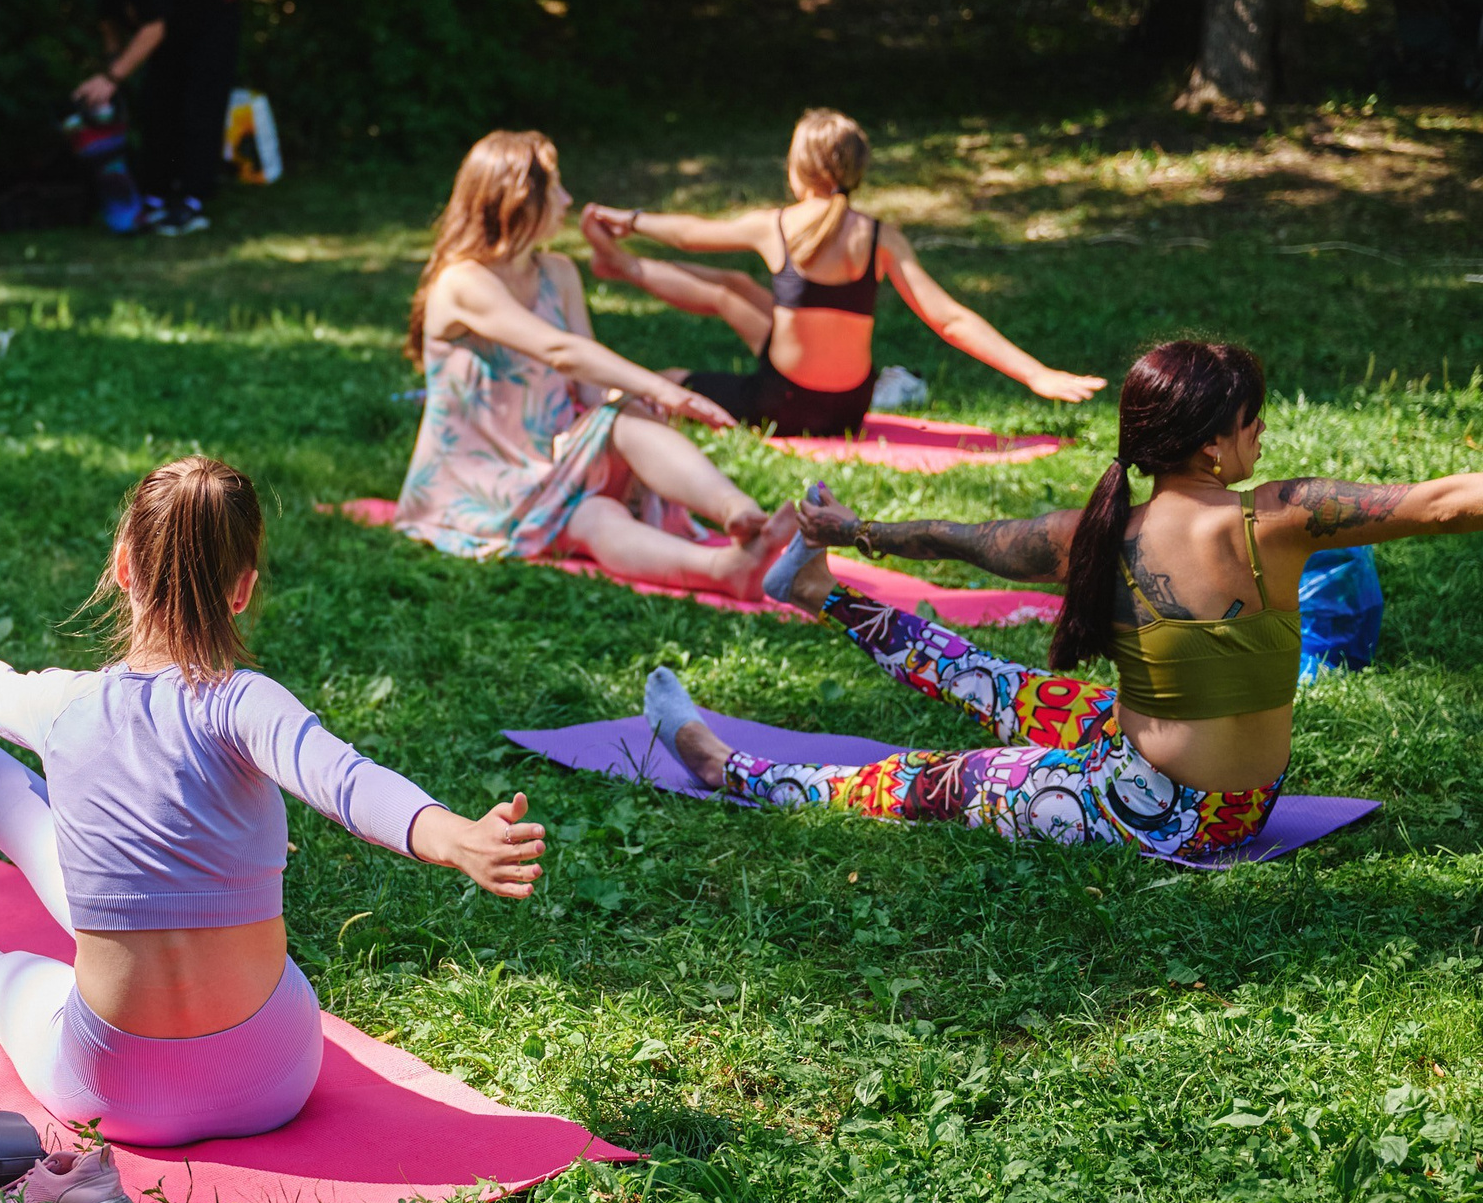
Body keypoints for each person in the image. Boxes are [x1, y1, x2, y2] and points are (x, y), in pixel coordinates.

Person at [0, 456, 548, 1147]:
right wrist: (455, 836)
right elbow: (348, 781)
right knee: (103, 868)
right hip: (272, 1080)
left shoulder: (62, 703)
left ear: (122, 568)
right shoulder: (245, 703)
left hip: (108, 1088)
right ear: (242, 590)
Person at [644, 340, 1483, 863]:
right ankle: (815, 591)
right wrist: (855, 533)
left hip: (1161, 814)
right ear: (1210, 443)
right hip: (1216, 804)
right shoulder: (1285, 517)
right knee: (1000, 686)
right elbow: (1445, 502)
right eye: (1251, 419)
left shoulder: (1100, 533)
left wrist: (860, 527)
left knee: (931, 778)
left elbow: (961, 539)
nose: (1261, 432)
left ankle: (728, 766)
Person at [394, 130, 797, 598]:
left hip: (554, 457)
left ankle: (743, 514)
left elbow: (586, 384)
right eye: (555, 188)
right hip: (481, 483)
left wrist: (633, 401)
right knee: (594, 515)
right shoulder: (462, 281)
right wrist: (664, 389)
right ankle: (725, 569)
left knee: (625, 415)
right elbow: (559, 350)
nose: (567, 200)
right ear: (519, 198)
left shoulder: (558, 272)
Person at [576, 110, 1107, 438]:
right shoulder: (880, 237)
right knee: (736, 289)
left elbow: (692, 232)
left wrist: (631, 219)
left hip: (784, 405)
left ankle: (623, 266)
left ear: (799, 169)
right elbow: (949, 319)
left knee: (672, 376)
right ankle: (622, 266)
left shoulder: (777, 225)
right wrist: (1035, 373)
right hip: (849, 410)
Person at [49, 0, 241, 236]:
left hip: (211, 24)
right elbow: (110, 29)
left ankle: (192, 201)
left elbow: (154, 29)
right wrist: (111, 77)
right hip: (172, 32)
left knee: (198, 108)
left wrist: (111, 79)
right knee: (156, 105)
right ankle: (155, 195)